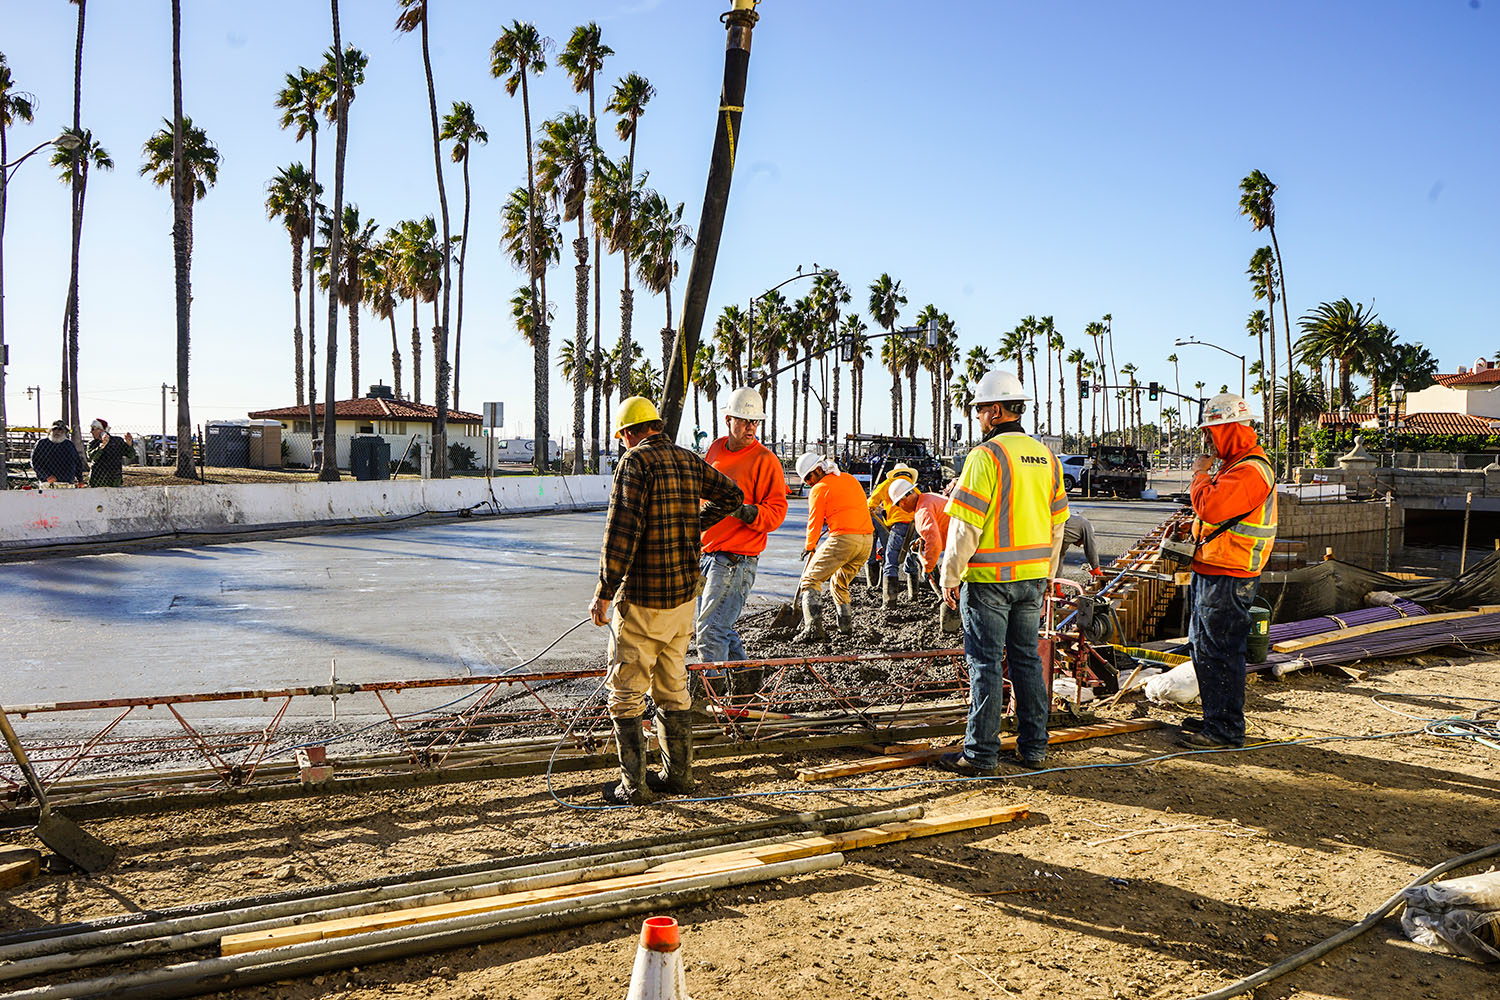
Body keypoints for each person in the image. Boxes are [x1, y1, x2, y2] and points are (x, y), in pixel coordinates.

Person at [590, 396, 744, 805]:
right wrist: (693, 522)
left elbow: (620, 532)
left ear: (627, 432)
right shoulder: (687, 459)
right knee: (673, 686)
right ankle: (679, 777)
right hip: (682, 601)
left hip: (642, 597)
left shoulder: (635, 463)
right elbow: (732, 496)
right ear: (656, 424)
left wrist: (605, 590)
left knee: (626, 690)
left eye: (622, 437)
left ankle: (634, 786)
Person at [934, 370, 1069, 775]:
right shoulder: (1046, 457)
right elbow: (1058, 523)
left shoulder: (986, 456)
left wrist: (949, 577)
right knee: (1026, 661)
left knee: (987, 664)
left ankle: (980, 755)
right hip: (1031, 579)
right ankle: (1034, 749)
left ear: (994, 411)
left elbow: (965, 528)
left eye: (979, 412)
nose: (977, 419)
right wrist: (1047, 573)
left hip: (990, 582)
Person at [1178, 393, 1277, 750]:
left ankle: (1225, 728)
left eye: (1211, 432)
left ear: (1229, 429)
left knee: (1220, 650)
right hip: (1215, 568)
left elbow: (1212, 506)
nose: (1207, 440)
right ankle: (1214, 717)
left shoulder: (1251, 469)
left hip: (1229, 573)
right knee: (1204, 647)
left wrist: (1199, 475)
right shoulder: (1237, 465)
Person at [695, 387, 788, 679]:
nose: (751, 427)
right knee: (719, 626)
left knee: (711, 631)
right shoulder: (715, 450)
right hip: (708, 553)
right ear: (728, 419)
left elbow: (776, 512)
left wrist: (742, 511)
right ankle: (747, 681)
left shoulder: (765, 460)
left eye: (755, 422)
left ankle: (710, 702)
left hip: (736, 559)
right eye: (744, 420)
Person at [793, 452, 874, 642]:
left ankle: (813, 629)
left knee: (810, 580)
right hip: (866, 541)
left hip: (844, 539)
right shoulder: (849, 479)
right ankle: (845, 628)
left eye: (809, 477)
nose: (809, 483)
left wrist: (810, 545)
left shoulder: (819, 489)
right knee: (839, 584)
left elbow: (814, 520)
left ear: (819, 469)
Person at [888, 477, 961, 632]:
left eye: (899, 503)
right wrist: (923, 542)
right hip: (962, 540)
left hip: (960, 545)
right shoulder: (929, 498)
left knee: (953, 583)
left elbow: (934, 542)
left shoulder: (922, 512)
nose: (900, 507)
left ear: (905, 498)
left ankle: (952, 619)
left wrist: (927, 566)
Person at [865, 463, 919, 605]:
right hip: (915, 526)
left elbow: (873, 500)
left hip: (899, 527)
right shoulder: (913, 488)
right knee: (911, 559)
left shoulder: (889, 483)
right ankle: (914, 595)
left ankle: (890, 601)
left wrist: (870, 507)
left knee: (891, 562)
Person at [30, 421, 85, 486]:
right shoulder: (42, 443)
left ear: (64, 431)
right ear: (50, 431)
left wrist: (80, 480)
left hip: (67, 482)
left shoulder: (69, 445)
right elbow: (35, 463)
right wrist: (46, 476)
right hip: (47, 482)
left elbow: (77, 463)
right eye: (54, 429)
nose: (57, 431)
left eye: (60, 429)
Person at [86, 418, 134, 488]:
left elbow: (131, 455)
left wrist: (129, 445)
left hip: (114, 480)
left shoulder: (117, 441)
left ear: (101, 430)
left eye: (93, 429)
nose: (91, 432)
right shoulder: (92, 443)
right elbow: (92, 457)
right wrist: (101, 447)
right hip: (97, 480)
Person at [1063, 513, 1107, 579]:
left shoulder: (1067, 536)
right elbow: (1091, 548)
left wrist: (1057, 584)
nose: (1079, 546)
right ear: (1084, 538)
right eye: (1082, 544)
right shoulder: (1086, 525)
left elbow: (1058, 560)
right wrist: (1096, 569)